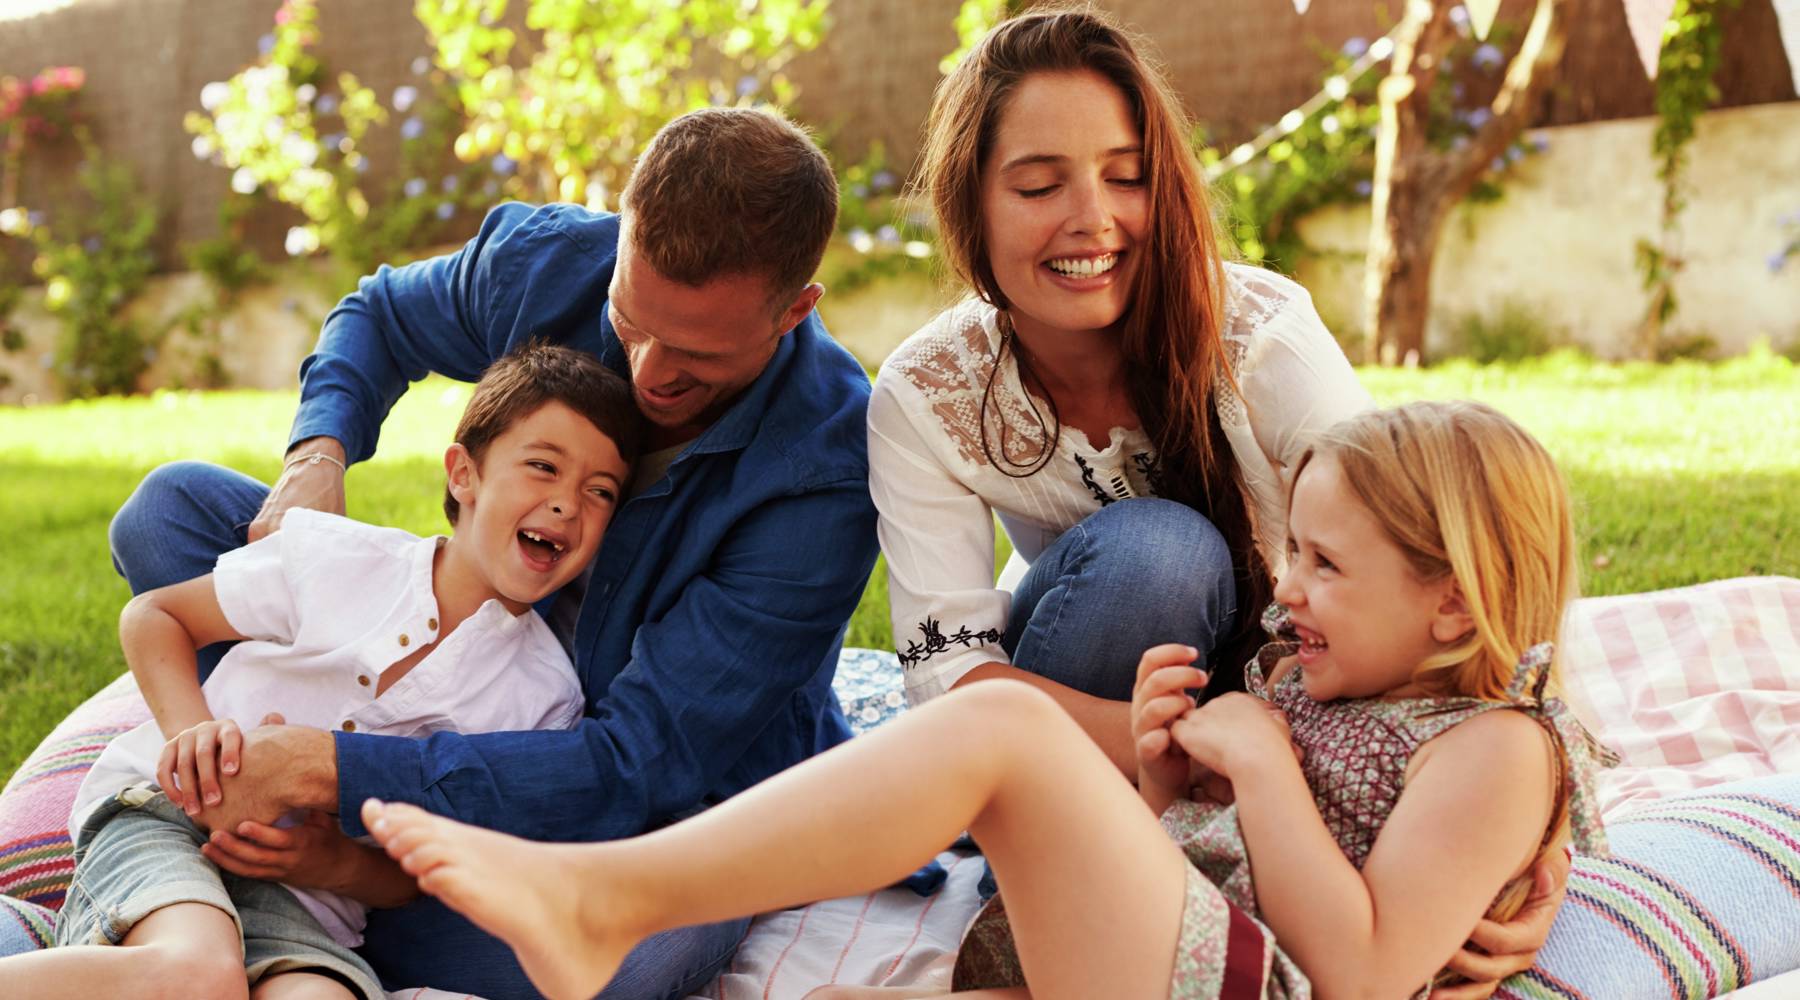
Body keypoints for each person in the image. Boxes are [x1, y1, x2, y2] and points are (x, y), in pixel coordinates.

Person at [357, 400, 1611, 1000]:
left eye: (1327, 565)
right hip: (1155, 966)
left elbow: (1365, 974)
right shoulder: (1330, 678)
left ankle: (601, 897)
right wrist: (1170, 785)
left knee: (1003, 725)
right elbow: (1233, 866)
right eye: (1296, 551)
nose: (1285, 586)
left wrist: (1267, 767)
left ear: (1455, 604)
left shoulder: (1497, 748)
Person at [102, 106, 877, 998]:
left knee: (650, 950)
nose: (647, 372)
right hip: (456, 662)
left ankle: (333, 899)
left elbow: (642, 761)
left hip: (615, 770)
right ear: (622, 237)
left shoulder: (824, 470)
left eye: (696, 357)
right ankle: (273, 855)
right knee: (171, 512)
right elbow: (379, 314)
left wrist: (333, 769)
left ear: (794, 311)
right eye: (630, 322)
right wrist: (317, 457)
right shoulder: (550, 260)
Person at [870, 11, 1563, 989]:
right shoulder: (927, 394)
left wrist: (1522, 839)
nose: (1092, 219)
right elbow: (947, 687)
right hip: (1122, 701)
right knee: (1159, 552)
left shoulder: (1261, 337)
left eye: (1125, 175)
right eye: (1037, 184)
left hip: (1300, 688)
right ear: (970, 204)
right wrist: (1198, 741)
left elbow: (1436, 557)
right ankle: (1058, 844)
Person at [1, 344, 639, 1000]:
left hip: (308, 906)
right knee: (196, 974)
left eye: (600, 492)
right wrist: (189, 733)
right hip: (172, 823)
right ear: (462, 474)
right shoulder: (339, 559)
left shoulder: (547, 700)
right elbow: (156, 616)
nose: (568, 504)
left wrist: (331, 862)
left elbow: (418, 875)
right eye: (543, 467)